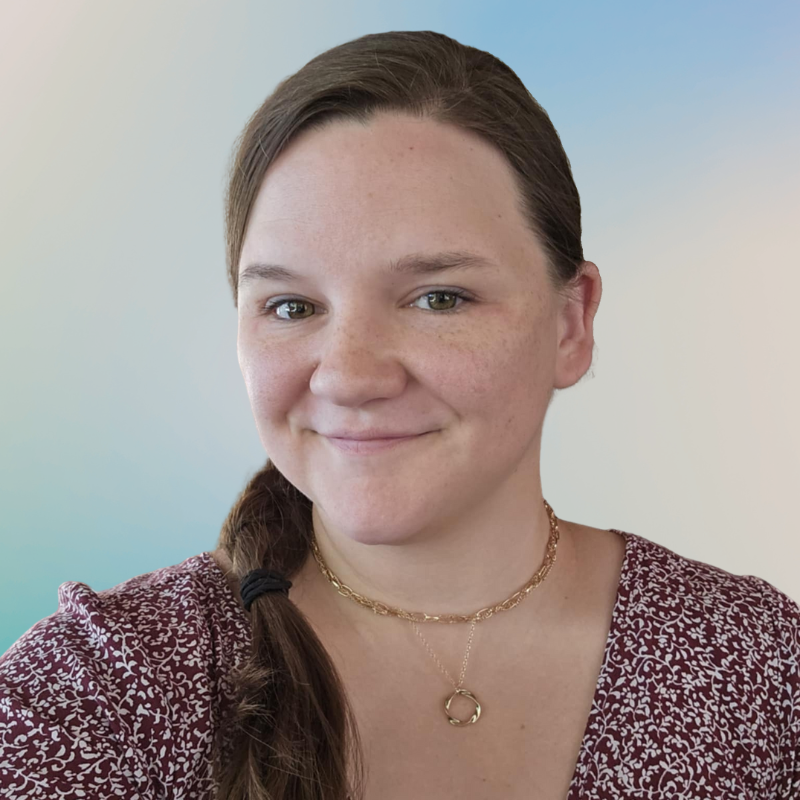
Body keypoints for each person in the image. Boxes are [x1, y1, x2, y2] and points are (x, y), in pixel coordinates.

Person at [1, 29, 798, 800]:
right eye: (290, 305)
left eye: (438, 297)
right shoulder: (103, 690)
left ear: (570, 322)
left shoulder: (760, 671)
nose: (350, 375)